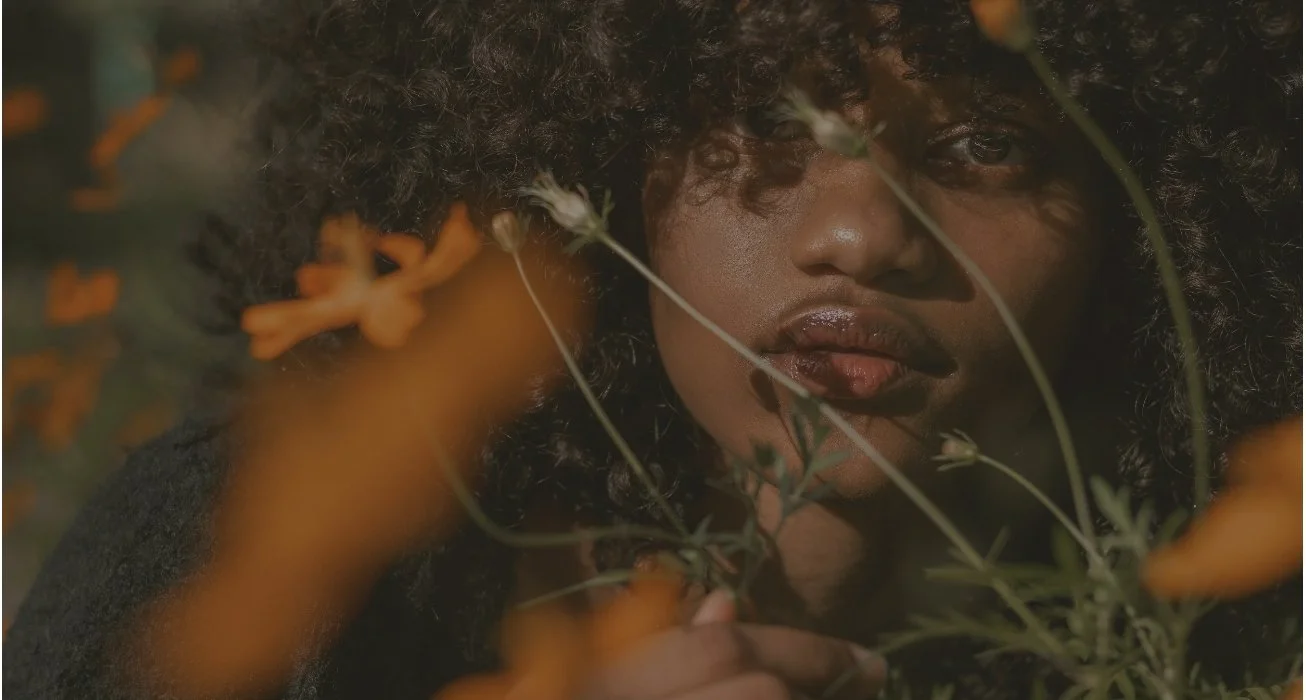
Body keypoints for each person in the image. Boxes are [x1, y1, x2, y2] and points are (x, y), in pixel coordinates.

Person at [4, 1, 1300, 698]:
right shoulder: (236, 545)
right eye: (765, 123)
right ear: (601, 158)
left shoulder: (1232, 636)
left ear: (1155, 227)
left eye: (985, 145)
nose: (858, 235)